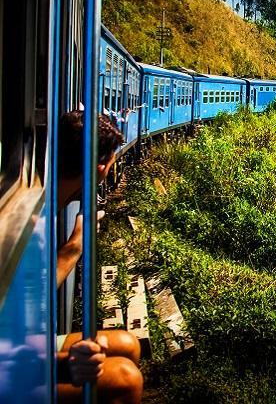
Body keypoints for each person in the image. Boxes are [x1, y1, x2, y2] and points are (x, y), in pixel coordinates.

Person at [55, 111, 143, 404]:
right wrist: (62, 365)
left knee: (128, 344)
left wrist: (75, 245)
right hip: (13, 362)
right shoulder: (25, 218)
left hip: (19, 346)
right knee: (126, 379)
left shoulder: (51, 202)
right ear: (101, 166)